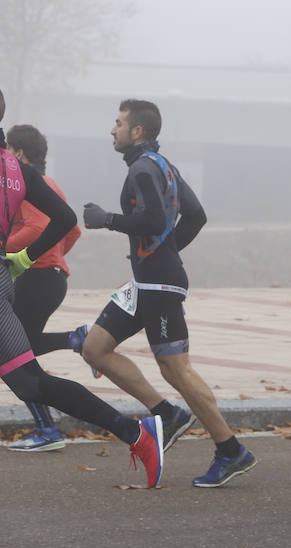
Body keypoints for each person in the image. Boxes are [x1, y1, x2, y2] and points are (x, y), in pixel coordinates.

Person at [78, 99, 256, 487]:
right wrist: (164, 249)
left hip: (159, 284)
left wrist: (106, 220)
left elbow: (155, 219)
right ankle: (167, 414)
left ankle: (231, 450)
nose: (113, 130)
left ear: (137, 131)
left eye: (119, 123)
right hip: (146, 282)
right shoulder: (164, 166)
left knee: (176, 369)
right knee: (94, 347)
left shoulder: (144, 168)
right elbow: (195, 215)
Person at [0, 88, 163, 486]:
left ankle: (135, 434)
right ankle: (135, 434)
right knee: (29, 381)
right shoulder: (17, 168)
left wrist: (23, 257)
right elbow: (64, 218)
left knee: (31, 381)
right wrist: (20, 260)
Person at [4, 124, 82, 451]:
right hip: (50, 277)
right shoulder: (49, 183)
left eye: (7, 150)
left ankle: (48, 430)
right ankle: (77, 338)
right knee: (25, 347)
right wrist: (54, 258)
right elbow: (73, 231)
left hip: (36, 278)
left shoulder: (24, 183)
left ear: (19, 153)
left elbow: (37, 227)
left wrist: (7, 252)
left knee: (15, 355)